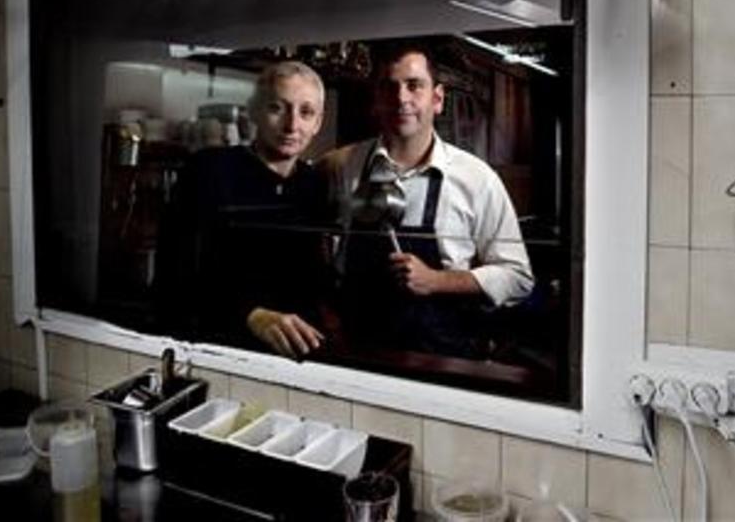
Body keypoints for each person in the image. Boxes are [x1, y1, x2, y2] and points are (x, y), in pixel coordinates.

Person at [321, 43, 534, 358]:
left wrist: (437, 280)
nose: (401, 98)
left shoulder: (476, 178)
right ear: (376, 100)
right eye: (388, 87)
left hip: (442, 361)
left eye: (414, 85)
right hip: (356, 354)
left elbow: (518, 278)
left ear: (437, 98)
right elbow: (320, 259)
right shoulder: (340, 166)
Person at [160, 61, 332, 359]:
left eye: (306, 113)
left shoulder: (315, 184)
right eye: (278, 108)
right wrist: (251, 315)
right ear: (254, 111)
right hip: (220, 346)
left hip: (298, 351)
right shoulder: (209, 169)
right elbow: (175, 276)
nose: (293, 126)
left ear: (318, 122)